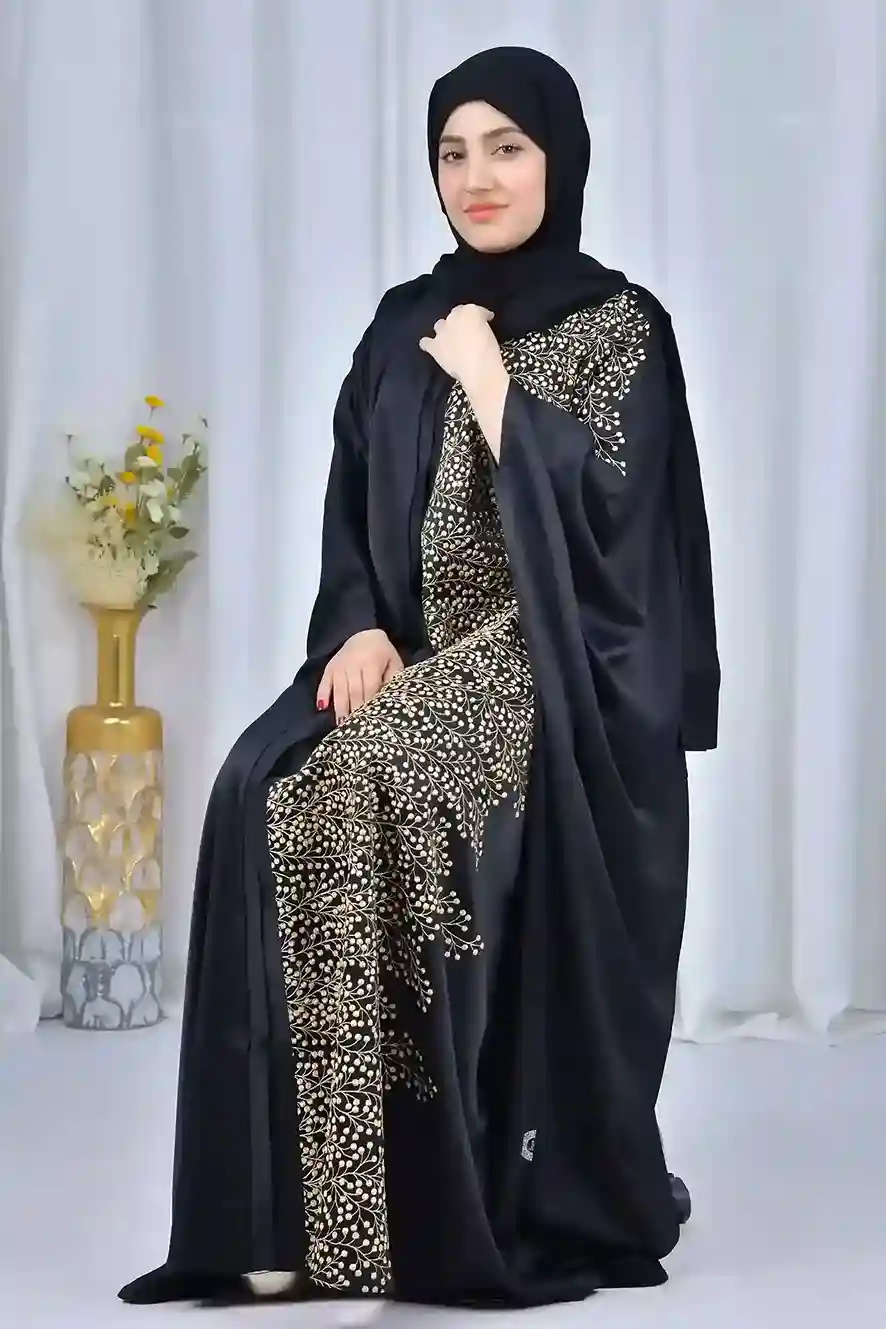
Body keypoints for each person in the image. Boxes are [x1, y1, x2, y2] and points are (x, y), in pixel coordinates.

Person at [119, 45, 719, 1311]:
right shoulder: (402, 324)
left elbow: (627, 538)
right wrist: (354, 623)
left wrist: (498, 388)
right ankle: (306, 1214)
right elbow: (351, 503)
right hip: (420, 650)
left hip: (560, 663)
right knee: (271, 788)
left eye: (507, 147)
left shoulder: (621, 326)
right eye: (453, 152)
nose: (476, 177)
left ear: (559, 160)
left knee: (368, 787)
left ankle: (447, 1199)